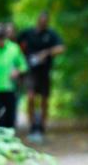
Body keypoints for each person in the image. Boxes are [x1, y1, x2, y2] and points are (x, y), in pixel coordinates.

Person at [18, 12, 64, 142]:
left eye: (46, 22)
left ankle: (42, 125)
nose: (43, 23)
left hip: (45, 71)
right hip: (30, 71)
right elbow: (16, 44)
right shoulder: (28, 33)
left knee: (44, 99)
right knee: (31, 97)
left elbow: (61, 47)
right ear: (38, 21)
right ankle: (32, 124)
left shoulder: (50, 34)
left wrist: (46, 53)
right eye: (41, 21)